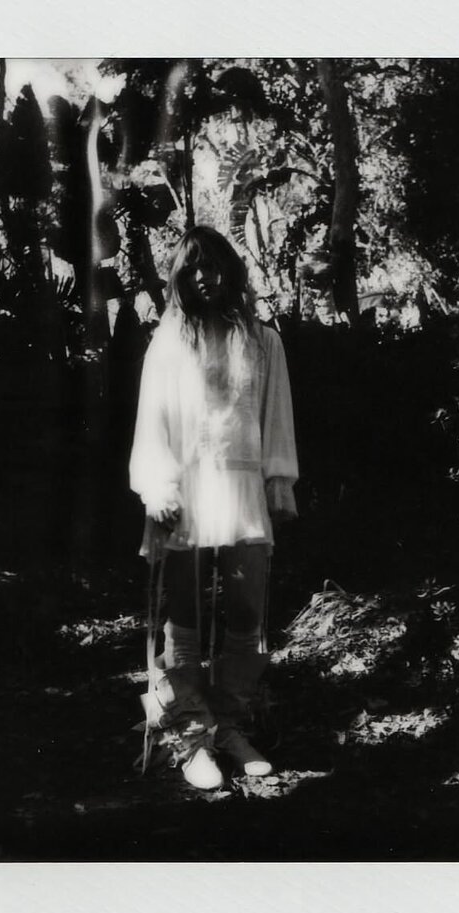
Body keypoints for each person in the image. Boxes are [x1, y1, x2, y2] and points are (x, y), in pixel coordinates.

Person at [129, 225, 298, 790]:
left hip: (242, 488)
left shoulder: (263, 341)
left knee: (247, 609)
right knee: (184, 615)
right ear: (181, 275)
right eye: (194, 266)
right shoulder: (168, 344)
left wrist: (278, 481)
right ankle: (191, 732)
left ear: (232, 270)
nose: (206, 275)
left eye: (215, 264)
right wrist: (158, 486)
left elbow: (276, 414)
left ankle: (230, 723)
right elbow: (151, 419)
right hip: (185, 491)